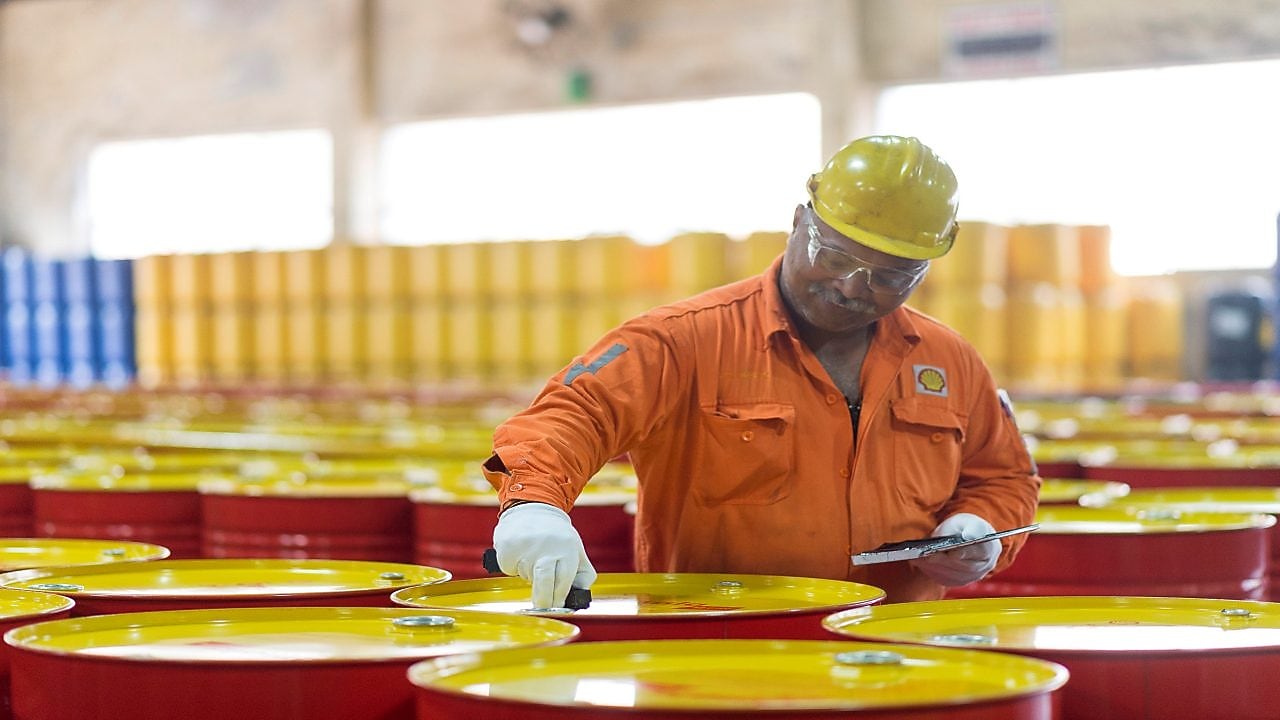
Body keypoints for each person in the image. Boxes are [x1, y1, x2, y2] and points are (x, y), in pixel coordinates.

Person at [482, 134, 1040, 608]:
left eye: (889, 276)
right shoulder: (683, 340)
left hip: (893, 660)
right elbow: (570, 417)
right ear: (799, 222)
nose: (852, 287)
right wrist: (533, 506)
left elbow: (1004, 475)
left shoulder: (948, 359)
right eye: (836, 257)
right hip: (721, 656)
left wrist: (982, 526)